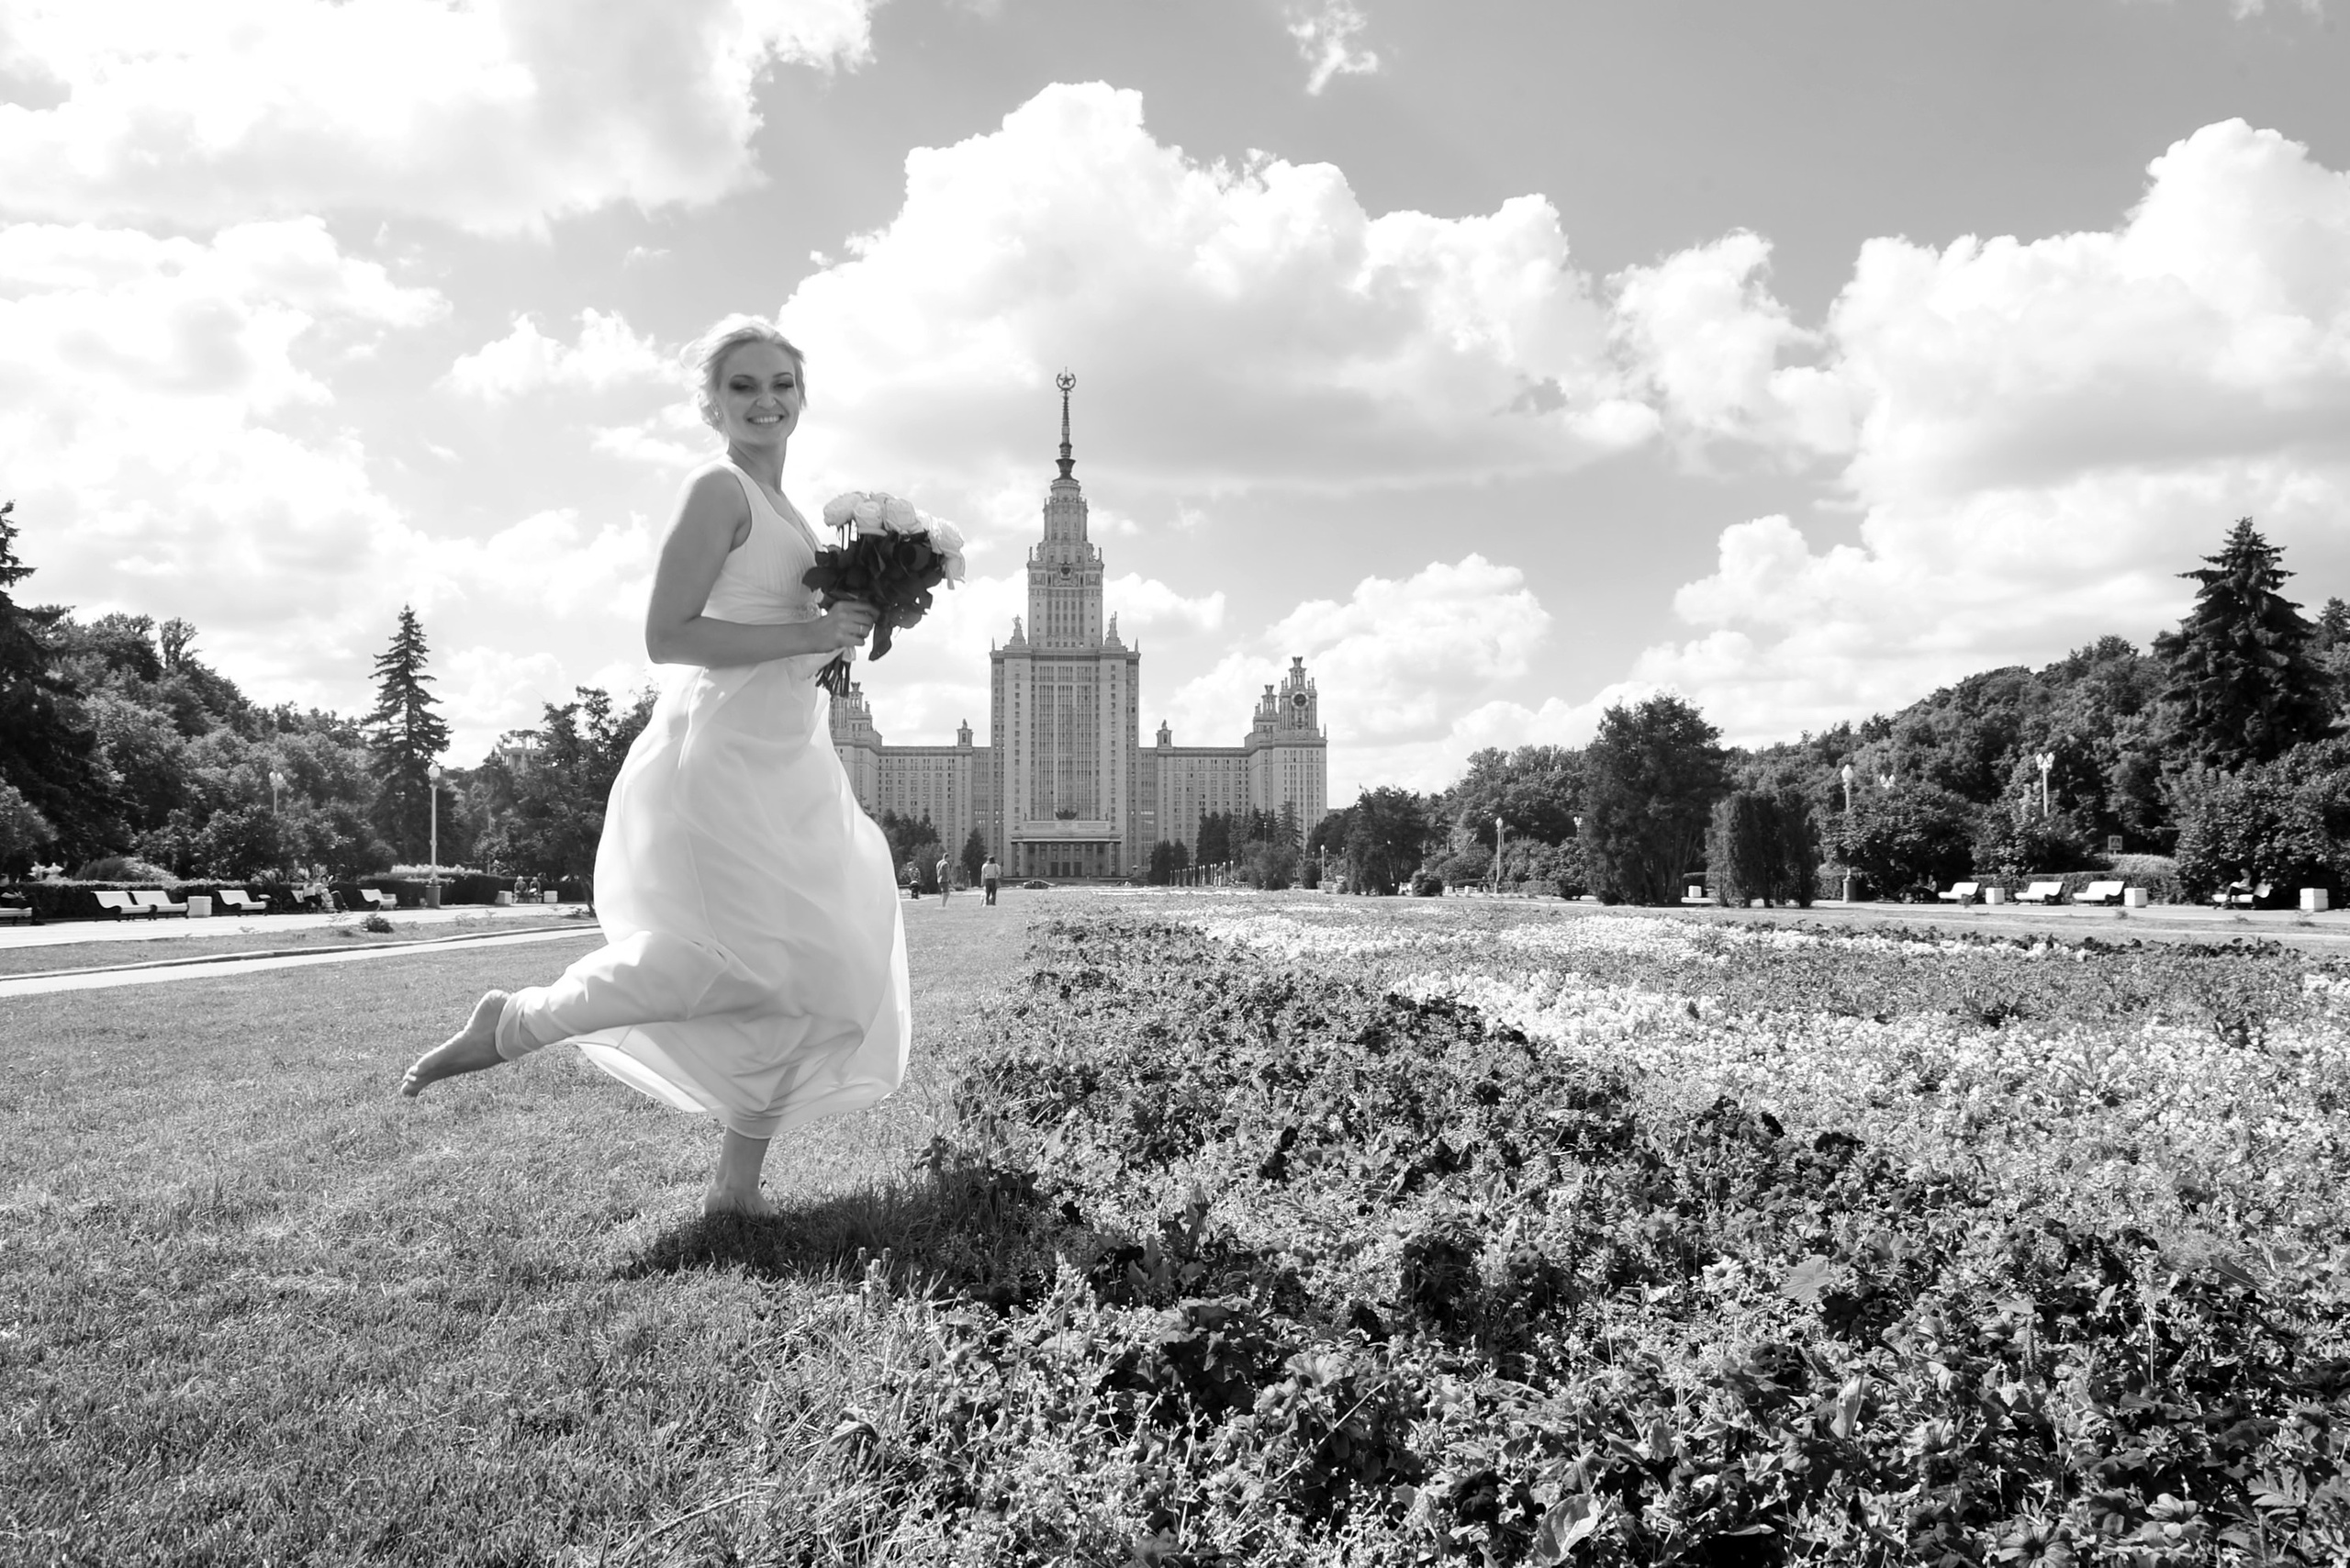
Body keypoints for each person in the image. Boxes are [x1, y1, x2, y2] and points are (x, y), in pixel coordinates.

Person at [401, 316, 909, 1219]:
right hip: (723, 753)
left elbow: (790, 631)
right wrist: (808, 631)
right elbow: (667, 635)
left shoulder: (793, 511)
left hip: (790, 753)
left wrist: (852, 622)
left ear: (803, 396)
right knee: (730, 959)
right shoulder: (718, 488)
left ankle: (735, 1188)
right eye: (743, 385)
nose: (765, 401)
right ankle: (514, 1021)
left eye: (781, 383)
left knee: (820, 969)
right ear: (711, 403)